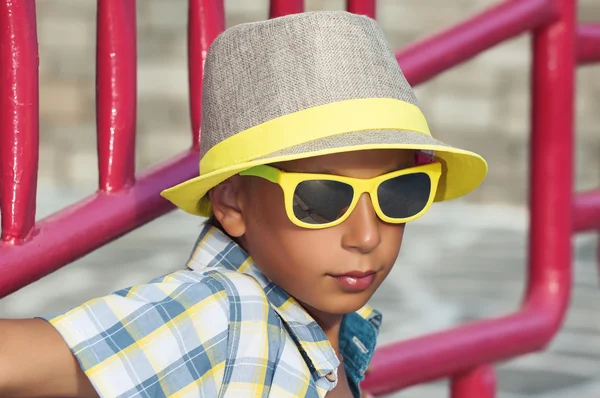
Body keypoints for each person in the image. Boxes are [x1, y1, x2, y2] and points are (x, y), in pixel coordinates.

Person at [0, 11, 487, 398]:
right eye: (321, 199)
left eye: (399, 192)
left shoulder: (333, 334)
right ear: (232, 201)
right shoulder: (225, 315)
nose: (366, 235)